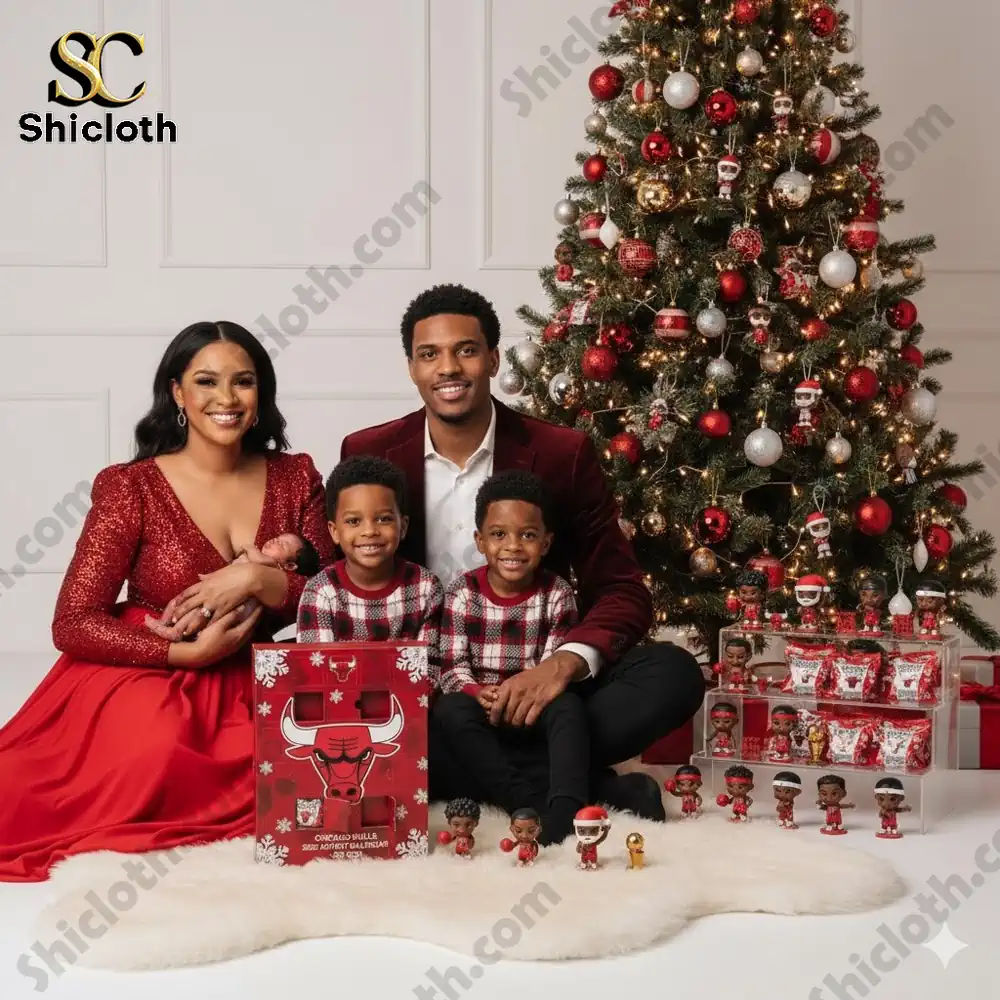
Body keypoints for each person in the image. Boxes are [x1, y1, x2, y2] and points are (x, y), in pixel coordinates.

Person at [339, 283, 705, 820]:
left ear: (492, 358)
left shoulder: (562, 454)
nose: (448, 368)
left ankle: (501, 773)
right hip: (432, 697)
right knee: (393, 730)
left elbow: (622, 589)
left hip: (545, 693)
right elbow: (343, 568)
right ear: (412, 367)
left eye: (465, 350)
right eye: (429, 354)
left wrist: (560, 667)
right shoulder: (369, 453)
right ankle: (571, 786)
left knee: (674, 672)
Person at [0, 321, 334, 882]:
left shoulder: (295, 476)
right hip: (150, 666)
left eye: (243, 382)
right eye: (206, 381)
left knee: (300, 779)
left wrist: (254, 578)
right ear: (177, 393)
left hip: (254, 672)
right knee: (149, 759)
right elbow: (72, 622)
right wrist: (186, 655)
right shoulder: (131, 487)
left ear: (262, 394)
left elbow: (339, 597)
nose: (226, 399)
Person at [434, 469, 588, 844]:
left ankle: (566, 809)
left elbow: (553, 664)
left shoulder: (557, 593)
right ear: (480, 541)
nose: (513, 546)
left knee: (569, 707)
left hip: (534, 710)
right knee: (449, 710)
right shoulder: (462, 591)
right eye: (499, 534)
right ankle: (526, 803)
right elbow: (452, 666)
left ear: (546, 543)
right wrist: (476, 694)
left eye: (528, 535)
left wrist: (522, 696)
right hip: (482, 711)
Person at [296, 455, 442, 643]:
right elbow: (316, 667)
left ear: (403, 526)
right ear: (334, 532)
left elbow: (429, 665)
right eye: (353, 521)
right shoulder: (320, 592)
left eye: (384, 519)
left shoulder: (426, 588)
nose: (370, 531)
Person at [148, 533, 321, 641]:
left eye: (282, 545)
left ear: (290, 566)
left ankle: (175, 631)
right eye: (278, 538)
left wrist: (249, 548)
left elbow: (256, 563)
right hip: (212, 591)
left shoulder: (269, 564)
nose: (275, 540)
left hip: (228, 605)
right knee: (177, 602)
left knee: (197, 612)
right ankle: (163, 623)